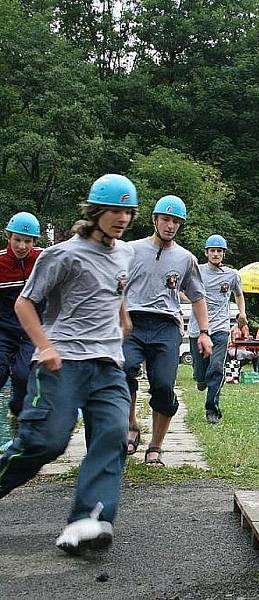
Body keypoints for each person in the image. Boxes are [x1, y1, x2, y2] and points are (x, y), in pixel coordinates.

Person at [0, 174, 137, 554]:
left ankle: (87, 519)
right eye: (114, 210)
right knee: (45, 442)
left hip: (108, 363)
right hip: (63, 361)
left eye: (128, 211)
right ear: (94, 212)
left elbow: (116, 288)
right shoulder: (63, 254)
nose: (121, 218)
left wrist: (123, 317)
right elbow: (24, 303)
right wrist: (43, 346)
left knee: (113, 436)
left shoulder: (126, 254)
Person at [123, 195, 211, 465]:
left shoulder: (185, 258)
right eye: (166, 219)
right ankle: (131, 426)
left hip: (166, 326)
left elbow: (197, 296)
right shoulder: (130, 250)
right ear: (154, 220)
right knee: (122, 371)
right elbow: (114, 286)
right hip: (132, 322)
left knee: (162, 385)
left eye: (176, 221)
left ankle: (156, 447)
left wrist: (205, 333)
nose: (170, 225)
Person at [188, 235, 247, 424]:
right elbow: (182, 290)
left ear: (223, 254)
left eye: (219, 251)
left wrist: (242, 313)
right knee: (201, 372)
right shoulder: (196, 271)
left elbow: (239, 295)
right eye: (212, 250)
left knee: (216, 368)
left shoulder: (232, 275)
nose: (215, 254)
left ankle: (211, 409)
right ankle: (200, 378)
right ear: (206, 253)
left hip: (221, 327)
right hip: (197, 328)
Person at [0, 212, 43, 418]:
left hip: (31, 331)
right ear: (8, 237)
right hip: (4, 330)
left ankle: (17, 413)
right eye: (17, 240)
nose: (22, 246)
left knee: (23, 376)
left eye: (27, 241)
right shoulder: (1, 263)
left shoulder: (43, 259)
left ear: (34, 241)